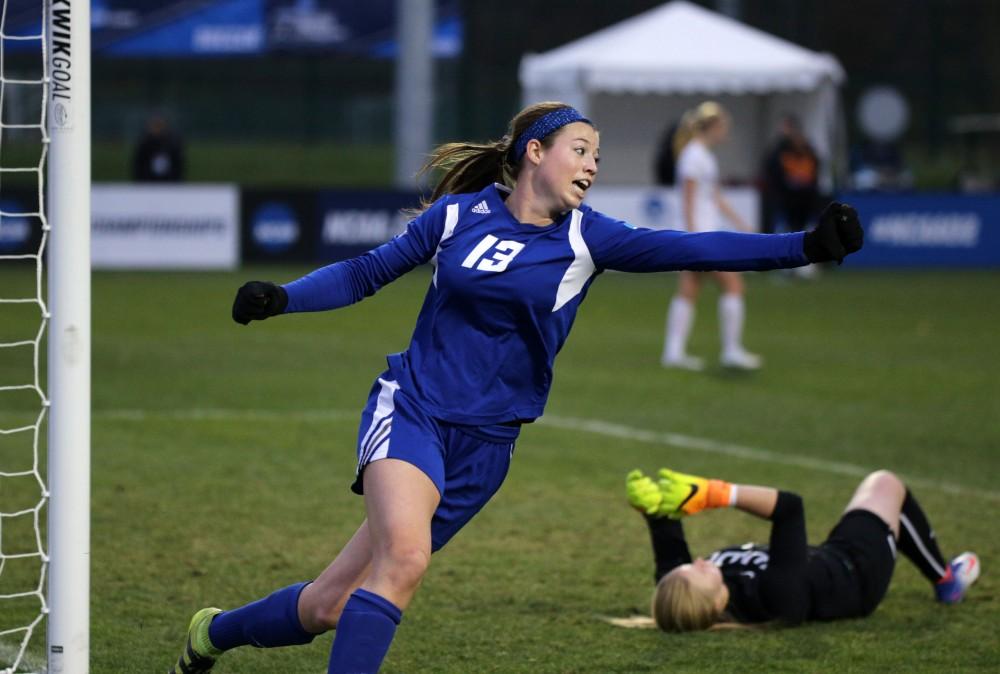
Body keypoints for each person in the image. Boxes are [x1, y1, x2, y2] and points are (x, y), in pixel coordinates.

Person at [168, 101, 863, 674]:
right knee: (404, 560)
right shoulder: (455, 218)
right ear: (535, 151)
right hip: (414, 408)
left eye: (596, 155)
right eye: (580, 148)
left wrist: (804, 246)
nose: (592, 163)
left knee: (328, 606)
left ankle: (213, 634)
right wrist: (281, 297)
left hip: (487, 447)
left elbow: (695, 247)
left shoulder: (591, 239)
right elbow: (362, 275)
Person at [625, 467, 980, 632]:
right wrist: (718, 494)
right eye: (698, 570)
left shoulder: (691, 594)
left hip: (824, 558)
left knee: (888, 511)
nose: (698, 561)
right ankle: (946, 580)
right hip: (856, 571)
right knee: (886, 484)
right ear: (714, 604)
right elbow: (790, 509)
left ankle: (938, 570)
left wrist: (656, 511)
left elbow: (672, 561)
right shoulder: (775, 597)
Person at [661, 102, 761, 372]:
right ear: (713, 127)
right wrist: (694, 238)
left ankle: (673, 352)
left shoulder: (701, 155)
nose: (725, 132)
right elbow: (688, 200)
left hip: (699, 235)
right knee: (734, 286)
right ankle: (731, 351)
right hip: (701, 236)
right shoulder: (694, 156)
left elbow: (714, 198)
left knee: (689, 290)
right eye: (723, 127)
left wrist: (740, 223)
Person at [762, 114, 821, 236]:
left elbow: (815, 171)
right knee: (782, 232)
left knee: (803, 232)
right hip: (784, 200)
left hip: (805, 200)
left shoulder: (808, 150)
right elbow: (771, 172)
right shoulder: (777, 151)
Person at [132, 114, 185, 182]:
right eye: (155, 126)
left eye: (159, 126)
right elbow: (138, 165)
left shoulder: (172, 143)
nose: (157, 129)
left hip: (168, 182)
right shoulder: (144, 144)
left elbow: (178, 166)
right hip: (148, 182)